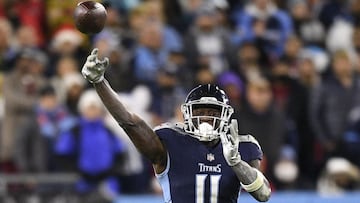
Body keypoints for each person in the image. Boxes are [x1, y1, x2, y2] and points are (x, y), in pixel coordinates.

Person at [81, 48, 271, 202]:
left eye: (212, 113)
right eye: (200, 112)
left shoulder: (242, 145)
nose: (205, 118)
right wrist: (100, 83)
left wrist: (237, 163)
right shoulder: (171, 140)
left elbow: (263, 194)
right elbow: (129, 122)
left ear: (225, 115)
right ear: (187, 114)